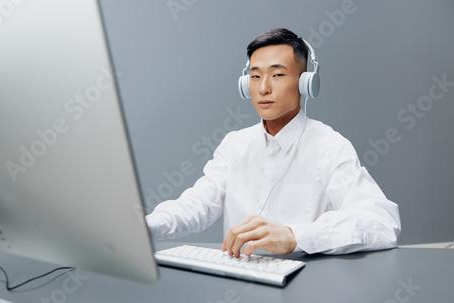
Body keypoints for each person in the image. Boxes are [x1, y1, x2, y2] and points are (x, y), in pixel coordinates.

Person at [146, 28, 401, 257]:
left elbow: (381, 223)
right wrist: (144, 228)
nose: (263, 88)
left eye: (277, 74)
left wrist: (294, 236)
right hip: (238, 285)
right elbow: (198, 204)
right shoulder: (235, 145)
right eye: (255, 77)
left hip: (306, 291)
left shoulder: (330, 148)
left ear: (305, 83)